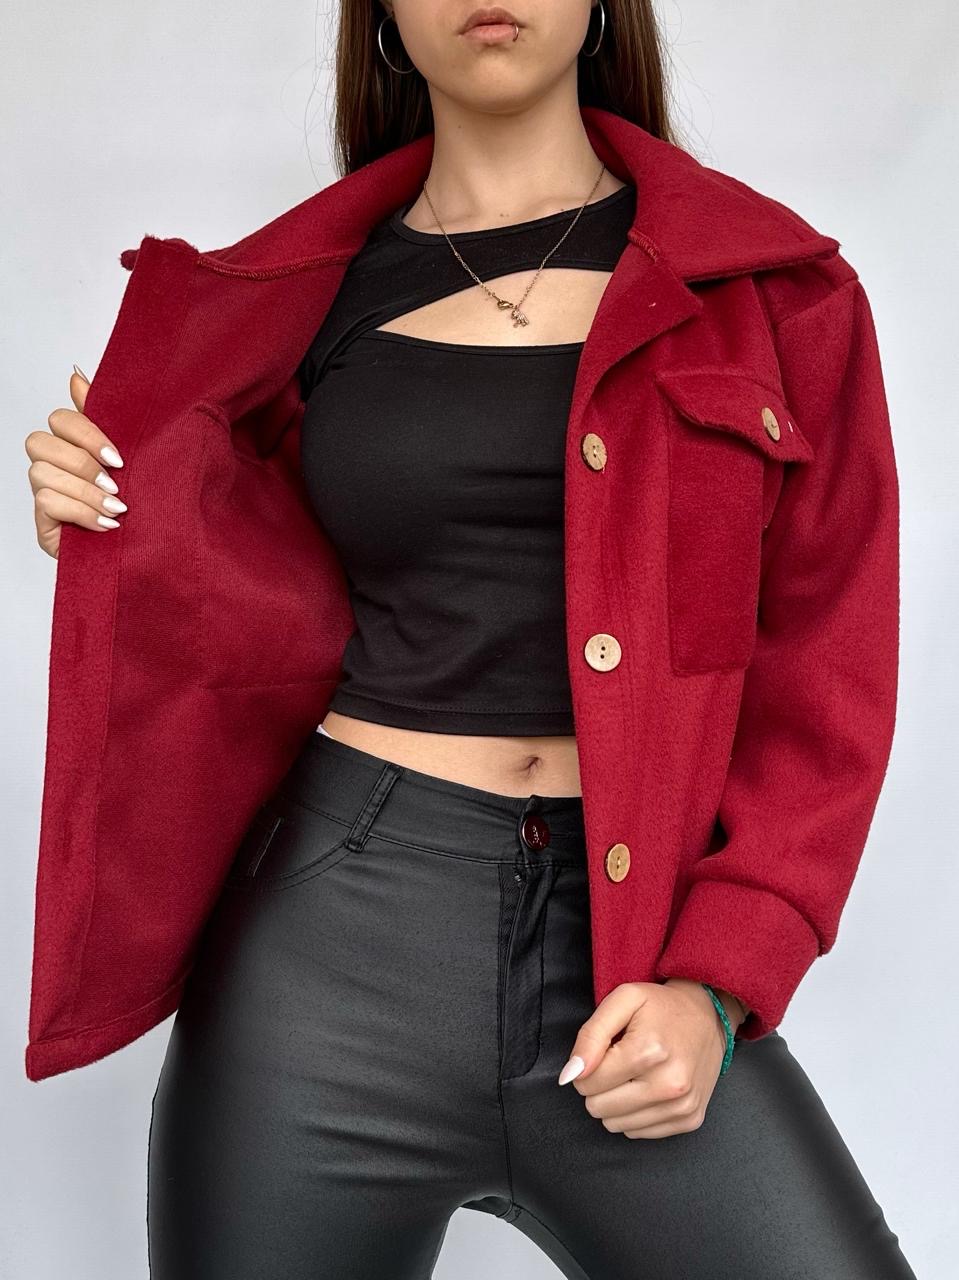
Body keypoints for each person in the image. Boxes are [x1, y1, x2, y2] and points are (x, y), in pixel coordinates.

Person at [24, 2, 918, 1277]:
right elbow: (240, 612)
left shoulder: (776, 291)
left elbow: (829, 669)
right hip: (329, 957)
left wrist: (716, 983)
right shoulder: (290, 302)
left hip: (635, 971)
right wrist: (113, 526)